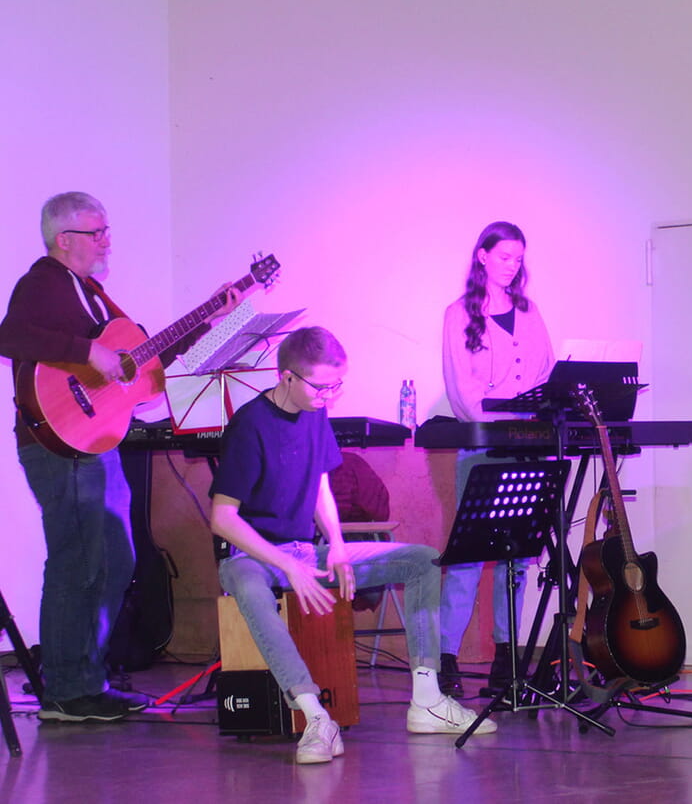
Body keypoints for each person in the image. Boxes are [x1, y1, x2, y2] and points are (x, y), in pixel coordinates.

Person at [0, 191, 236, 722]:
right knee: (76, 561)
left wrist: (208, 318)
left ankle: (87, 677)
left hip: (96, 442)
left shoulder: (93, 295)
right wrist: (87, 352)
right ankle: (65, 688)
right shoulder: (43, 281)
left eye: (106, 230)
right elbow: (10, 335)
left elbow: (142, 358)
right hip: (56, 444)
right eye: (97, 231)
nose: (107, 240)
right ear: (65, 240)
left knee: (115, 559)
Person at [210, 326, 496, 764]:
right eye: (322, 386)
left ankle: (426, 699)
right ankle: (314, 716)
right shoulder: (250, 425)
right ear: (287, 377)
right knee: (247, 584)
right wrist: (286, 567)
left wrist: (339, 545)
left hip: (306, 551)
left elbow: (320, 482)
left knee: (421, 561)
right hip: (256, 556)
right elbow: (223, 518)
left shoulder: (314, 412)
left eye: (336, 385)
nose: (330, 395)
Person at [439, 221, 554, 697]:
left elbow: (548, 374)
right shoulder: (457, 313)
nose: (513, 265)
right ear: (483, 256)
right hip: (485, 449)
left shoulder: (529, 312)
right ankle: (445, 661)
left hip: (527, 448)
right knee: (469, 559)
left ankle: (507, 666)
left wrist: (532, 412)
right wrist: (506, 407)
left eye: (519, 258)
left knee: (519, 558)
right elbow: (463, 391)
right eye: (505, 256)